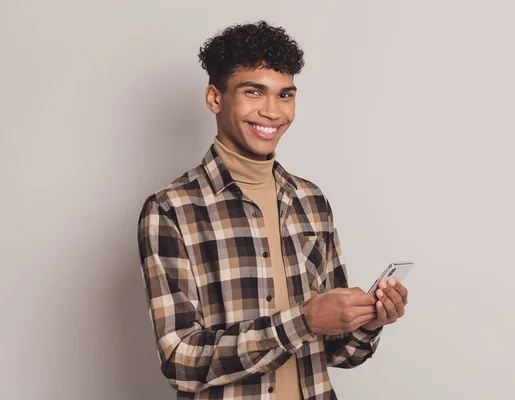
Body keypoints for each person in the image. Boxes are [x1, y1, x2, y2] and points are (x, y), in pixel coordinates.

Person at [137, 20, 408, 400]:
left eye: (285, 95)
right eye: (254, 92)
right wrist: (303, 319)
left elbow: (336, 351)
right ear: (215, 98)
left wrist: (369, 320)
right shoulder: (171, 210)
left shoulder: (311, 201)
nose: (272, 111)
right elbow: (181, 361)